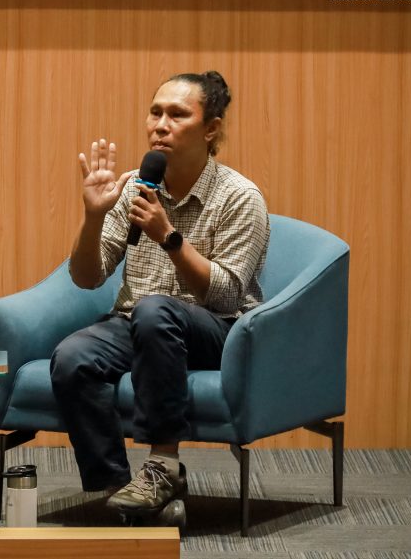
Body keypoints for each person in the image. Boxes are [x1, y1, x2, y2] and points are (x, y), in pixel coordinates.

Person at [50, 71, 269, 515]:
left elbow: (227, 297)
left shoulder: (240, 197)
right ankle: (122, 491)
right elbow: (87, 277)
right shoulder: (135, 186)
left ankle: (163, 466)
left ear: (211, 129)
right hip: (138, 325)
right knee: (72, 358)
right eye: (155, 112)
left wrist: (169, 236)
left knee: (155, 311)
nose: (160, 125)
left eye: (177, 114)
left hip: (215, 332)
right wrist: (93, 217)